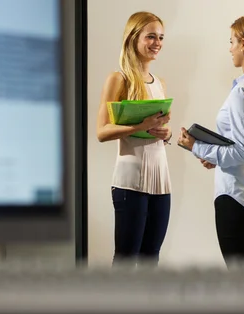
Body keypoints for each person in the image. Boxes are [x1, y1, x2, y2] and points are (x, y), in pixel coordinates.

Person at [178, 14, 244, 266]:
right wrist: (215, 158)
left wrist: (196, 146)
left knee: (243, 292)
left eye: (232, 41)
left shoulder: (243, 92)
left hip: (237, 199)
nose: (230, 48)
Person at [96, 11, 173, 267]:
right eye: (151, 36)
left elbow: (161, 130)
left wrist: (167, 133)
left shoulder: (159, 82)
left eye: (160, 37)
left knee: (151, 260)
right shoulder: (119, 79)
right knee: (127, 261)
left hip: (161, 184)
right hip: (130, 184)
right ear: (133, 38)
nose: (157, 43)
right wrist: (139, 125)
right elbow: (102, 131)